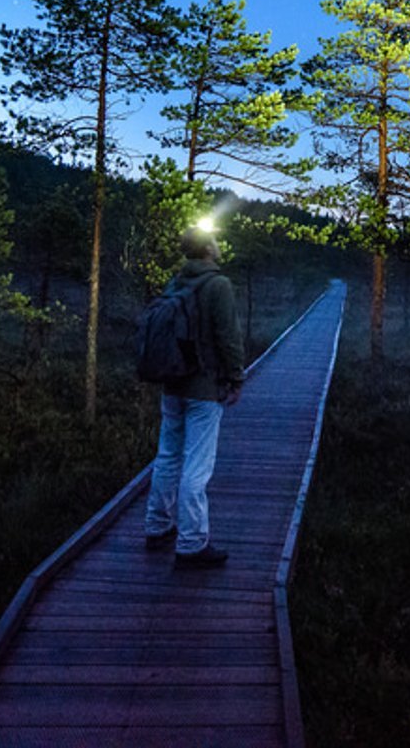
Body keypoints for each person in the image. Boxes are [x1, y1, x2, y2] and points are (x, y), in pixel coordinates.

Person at [143, 226, 246, 568]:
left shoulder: (176, 282)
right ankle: (191, 543)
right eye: (215, 240)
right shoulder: (218, 285)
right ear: (207, 249)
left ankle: (157, 526)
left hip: (172, 384)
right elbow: (228, 336)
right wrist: (235, 378)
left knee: (168, 455)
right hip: (203, 389)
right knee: (197, 467)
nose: (219, 243)